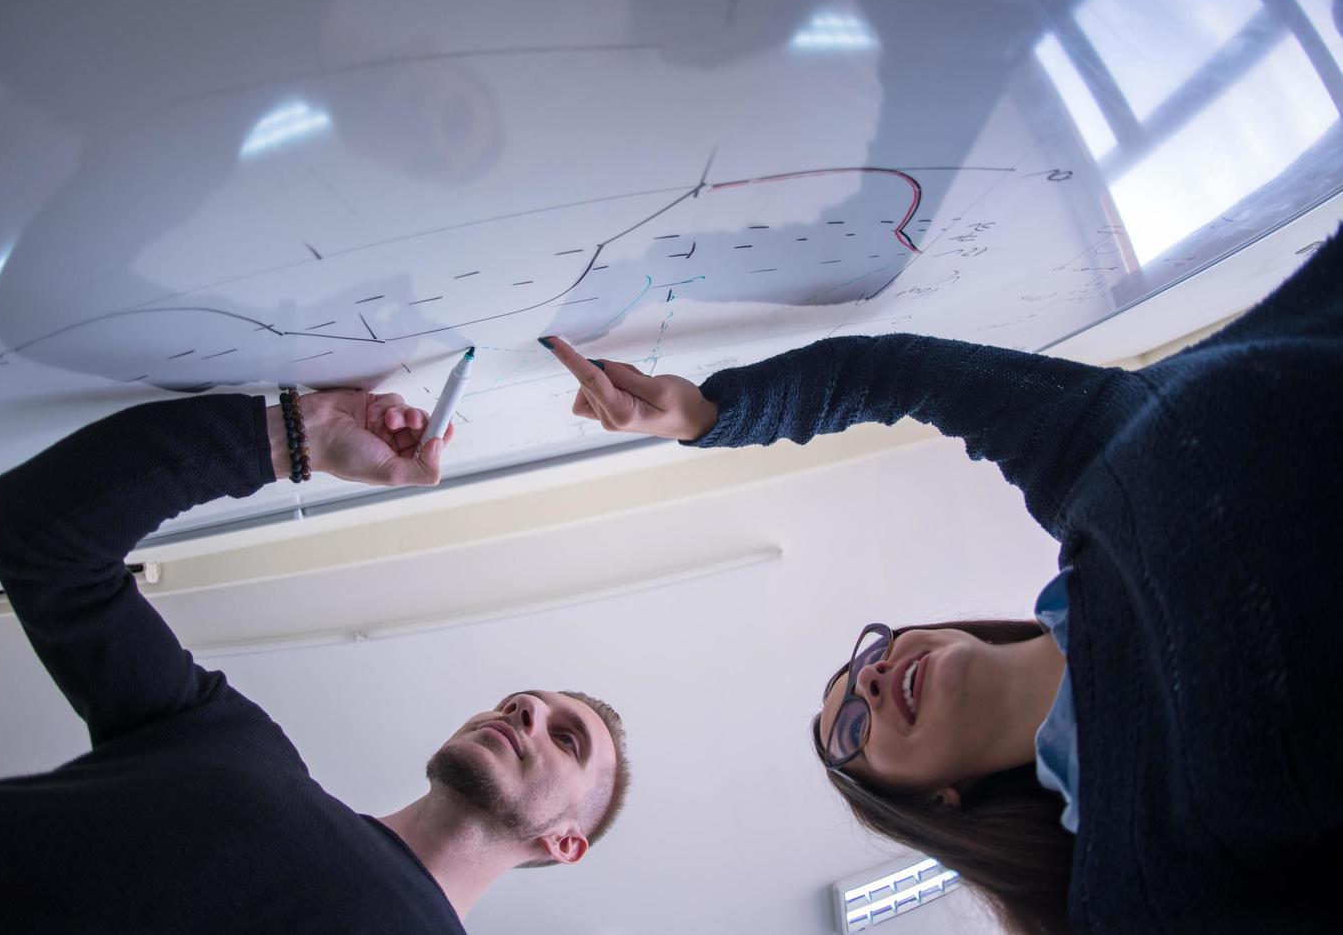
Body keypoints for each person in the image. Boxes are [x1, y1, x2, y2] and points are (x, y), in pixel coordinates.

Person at [541, 229, 1343, 932]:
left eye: (861, 664)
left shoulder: (1091, 478)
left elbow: (901, 374)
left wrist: (712, 416)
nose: (873, 681)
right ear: (933, 802)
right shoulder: (1138, 884)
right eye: (854, 729)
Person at [0, 389, 630, 933]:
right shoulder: (235, 744)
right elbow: (47, 540)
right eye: (518, 700)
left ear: (565, 843)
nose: (524, 710)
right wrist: (303, 436)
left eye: (567, 738)